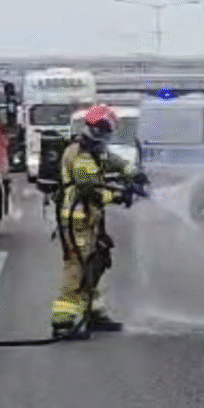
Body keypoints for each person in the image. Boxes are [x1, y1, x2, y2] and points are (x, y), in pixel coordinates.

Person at [51, 105, 145, 336]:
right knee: (77, 267)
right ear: (93, 128)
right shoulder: (80, 155)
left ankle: (93, 314)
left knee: (95, 263)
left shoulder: (95, 150)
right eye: (105, 130)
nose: (107, 135)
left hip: (89, 218)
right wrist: (120, 195)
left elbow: (114, 162)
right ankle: (63, 321)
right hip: (76, 219)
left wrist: (134, 173)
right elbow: (92, 191)